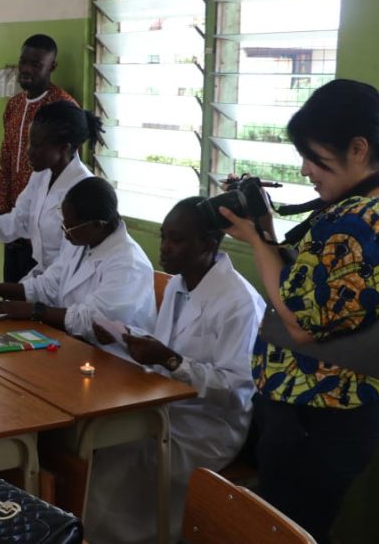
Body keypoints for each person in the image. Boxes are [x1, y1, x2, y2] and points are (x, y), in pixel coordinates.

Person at [220, 79, 379, 542]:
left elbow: (304, 320)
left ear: (357, 148)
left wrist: (255, 239)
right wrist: (264, 226)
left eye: (315, 156)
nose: (306, 169)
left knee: (289, 533)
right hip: (311, 416)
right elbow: (312, 286)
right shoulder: (355, 209)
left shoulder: (375, 220)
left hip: (322, 421)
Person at [86, 196, 264, 544]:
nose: (164, 248)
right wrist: (128, 339)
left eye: (177, 239)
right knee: (95, 441)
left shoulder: (239, 303)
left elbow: (236, 392)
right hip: (167, 405)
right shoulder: (179, 284)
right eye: (163, 236)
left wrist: (170, 361)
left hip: (208, 426)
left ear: (209, 245)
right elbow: (167, 343)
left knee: (117, 461)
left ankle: (119, 535)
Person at [0, 177, 156, 343]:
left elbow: (93, 321)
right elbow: (48, 285)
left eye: (70, 227)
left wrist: (34, 311)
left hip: (116, 361)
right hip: (74, 344)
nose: (65, 234)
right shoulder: (82, 242)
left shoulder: (129, 264)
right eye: (64, 225)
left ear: (98, 225)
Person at [0, 100, 95, 279]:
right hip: (44, 277)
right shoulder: (43, 175)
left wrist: (6, 291)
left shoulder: (85, 191)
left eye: (37, 145)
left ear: (64, 148)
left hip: (69, 286)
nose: (29, 151)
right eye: (29, 143)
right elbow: (20, 220)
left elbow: (66, 268)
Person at [0, 34, 79, 282]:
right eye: (24, 62)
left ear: (52, 67)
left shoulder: (62, 107)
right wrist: (2, 216)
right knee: (12, 294)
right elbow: (6, 162)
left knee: (37, 300)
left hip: (46, 227)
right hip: (15, 222)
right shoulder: (14, 105)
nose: (27, 70)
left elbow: (67, 167)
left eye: (36, 64)